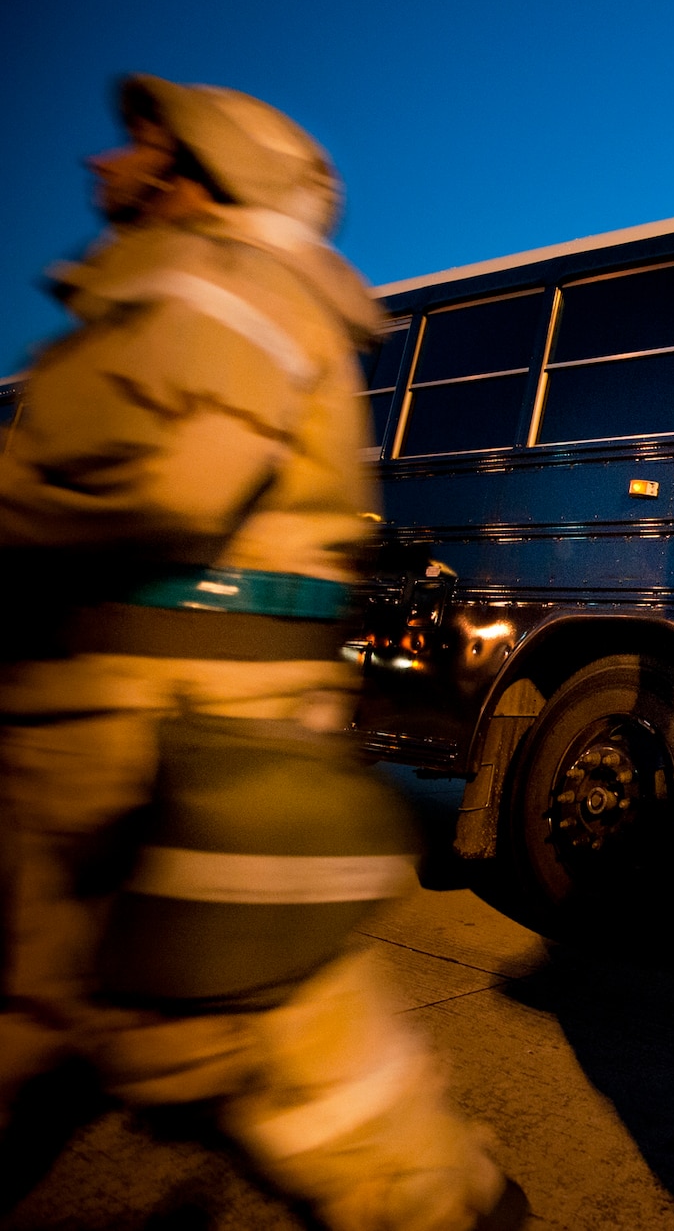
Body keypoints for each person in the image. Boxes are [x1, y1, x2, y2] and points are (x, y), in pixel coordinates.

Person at [0, 75, 526, 1230]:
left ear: (203, 172)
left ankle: (447, 1204)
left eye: (135, 146)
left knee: (261, 1033)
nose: (99, 167)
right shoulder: (211, 286)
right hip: (130, 723)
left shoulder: (221, 284)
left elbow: (168, 484)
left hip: (154, 730)